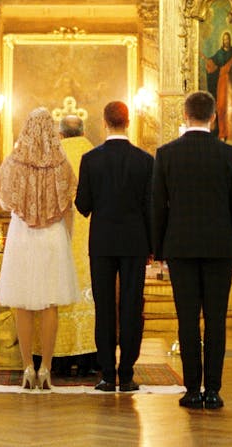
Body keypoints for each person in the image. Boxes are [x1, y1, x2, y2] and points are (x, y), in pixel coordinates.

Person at [152, 90, 232, 411]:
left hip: (180, 247)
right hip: (221, 247)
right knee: (216, 320)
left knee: (188, 320)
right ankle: (214, 391)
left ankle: (192, 389)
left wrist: (159, 249)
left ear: (185, 114)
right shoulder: (228, 155)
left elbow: (157, 208)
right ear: (213, 117)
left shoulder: (166, 154)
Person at [0, 107, 78, 392]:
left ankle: (28, 366)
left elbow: (4, 202)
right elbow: (68, 203)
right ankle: (46, 369)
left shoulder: (14, 163)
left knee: (23, 301)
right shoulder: (62, 164)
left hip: (22, 234)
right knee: (50, 302)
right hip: (53, 235)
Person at [75, 100, 154, 393]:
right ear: (128, 122)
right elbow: (151, 207)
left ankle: (108, 374)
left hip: (103, 242)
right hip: (135, 241)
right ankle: (128, 374)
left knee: (105, 307)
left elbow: (83, 204)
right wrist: (152, 246)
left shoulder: (91, 159)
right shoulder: (145, 161)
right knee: (132, 307)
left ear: (104, 122)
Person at [47, 113, 97, 378]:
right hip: (90, 233)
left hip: (58, 231)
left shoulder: (52, 155)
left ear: (61, 133)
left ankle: (58, 360)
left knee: (58, 288)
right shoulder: (94, 152)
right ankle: (89, 358)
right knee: (88, 291)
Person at [204, 30, 232, 142]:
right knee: (222, 106)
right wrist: (208, 62)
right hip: (222, 81)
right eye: (224, 39)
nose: (226, 41)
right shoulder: (219, 53)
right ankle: (223, 133)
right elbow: (212, 64)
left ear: (230, 40)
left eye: (227, 39)